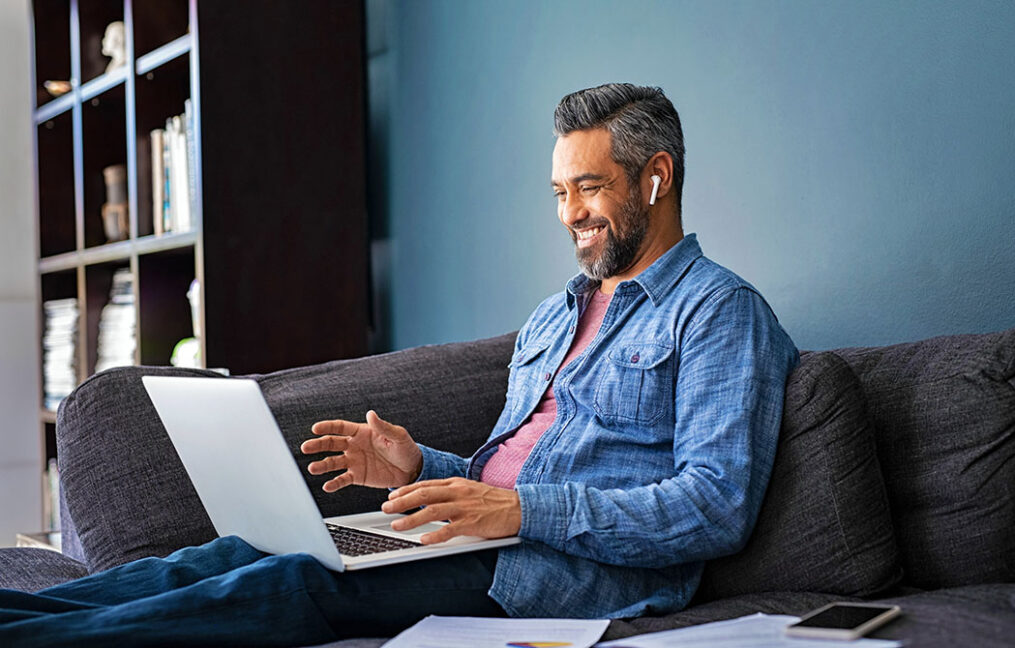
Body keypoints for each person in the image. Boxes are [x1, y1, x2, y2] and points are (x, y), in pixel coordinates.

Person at [0, 83, 798, 646]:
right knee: (227, 556)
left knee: (288, 584)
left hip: (571, 578)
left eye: (588, 188)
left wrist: (517, 514)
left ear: (656, 177)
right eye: (558, 192)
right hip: (483, 539)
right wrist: (421, 464)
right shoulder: (555, 316)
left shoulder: (719, 313)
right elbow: (499, 480)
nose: (569, 216)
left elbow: (713, 506)